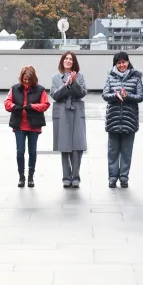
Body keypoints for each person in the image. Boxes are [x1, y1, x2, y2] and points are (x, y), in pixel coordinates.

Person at [102, 51, 143, 189]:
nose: (122, 65)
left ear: (128, 62)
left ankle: (124, 177)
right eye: (119, 63)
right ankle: (112, 177)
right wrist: (116, 96)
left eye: (124, 62)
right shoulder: (110, 77)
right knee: (113, 151)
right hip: (113, 119)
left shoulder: (136, 77)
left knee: (127, 152)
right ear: (115, 64)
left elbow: (140, 96)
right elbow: (105, 95)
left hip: (129, 119)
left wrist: (128, 96)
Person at [4, 65, 50, 188]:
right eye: (24, 79)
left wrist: (32, 106)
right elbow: (7, 103)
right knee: (20, 151)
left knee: (32, 151)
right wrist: (14, 107)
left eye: (29, 79)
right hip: (19, 125)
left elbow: (45, 104)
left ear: (33, 79)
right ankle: (21, 176)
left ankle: (30, 176)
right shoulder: (14, 88)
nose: (26, 82)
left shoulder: (40, 90)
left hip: (33, 125)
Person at [50, 51, 87, 188]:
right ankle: (66, 177)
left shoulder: (80, 76)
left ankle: (75, 177)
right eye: (66, 58)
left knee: (78, 146)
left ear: (74, 62)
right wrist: (66, 86)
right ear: (62, 61)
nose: (68, 61)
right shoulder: (55, 77)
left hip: (77, 110)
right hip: (62, 111)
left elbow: (82, 93)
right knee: (64, 146)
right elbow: (54, 94)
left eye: (71, 59)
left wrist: (74, 82)